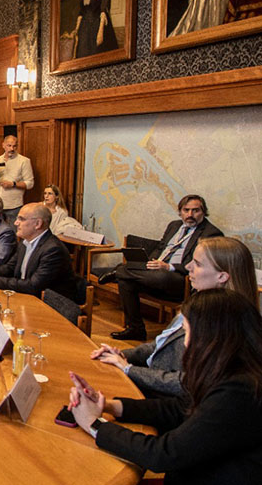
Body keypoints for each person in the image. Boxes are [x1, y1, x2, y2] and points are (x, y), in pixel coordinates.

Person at [68, 288, 262, 484]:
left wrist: (94, 424)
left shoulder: (239, 391)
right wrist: (109, 406)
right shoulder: (233, 372)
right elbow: (179, 408)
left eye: (187, 332)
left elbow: (164, 454)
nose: (185, 343)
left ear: (212, 338)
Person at [92, 237, 259, 398]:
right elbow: (160, 345)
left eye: (198, 264)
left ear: (222, 276)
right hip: (147, 379)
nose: (188, 267)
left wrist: (129, 369)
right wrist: (121, 354)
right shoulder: (196, 304)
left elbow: (187, 382)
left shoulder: (225, 324)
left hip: (163, 398)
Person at [100, 194, 224, 340]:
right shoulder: (174, 225)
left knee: (156, 275)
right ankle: (136, 329)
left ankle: (119, 271)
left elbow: (199, 265)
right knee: (126, 281)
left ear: (203, 212)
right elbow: (161, 248)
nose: (190, 214)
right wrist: (152, 262)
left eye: (195, 210)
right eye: (186, 210)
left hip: (178, 279)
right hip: (154, 273)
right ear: (180, 212)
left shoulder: (212, 233)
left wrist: (168, 266)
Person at [0, 202, 76, 299]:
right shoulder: (25, 242)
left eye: (21, 219)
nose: (15, 223)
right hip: (26, 295)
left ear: (38, 224)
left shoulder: (53, 250)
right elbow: (10, 268)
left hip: (51, 305)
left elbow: (34, 286)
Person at [0, 135, 34, 224]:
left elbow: (30, 183)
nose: (12, 148)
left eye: (14, 146)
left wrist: (13, 184)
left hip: (13, 207)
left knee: (12, 234)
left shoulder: (24, 161)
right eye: (9, 145)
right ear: (3, 145)